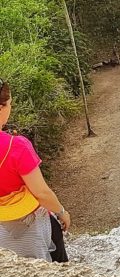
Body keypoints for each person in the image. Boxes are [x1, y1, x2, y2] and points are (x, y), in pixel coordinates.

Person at [0, 79, 70, 262]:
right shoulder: (17, 147)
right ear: (1, 108)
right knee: (58, 269)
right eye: (10, 104)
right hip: (30, 224)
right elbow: (41, 193)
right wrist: (62, 213)